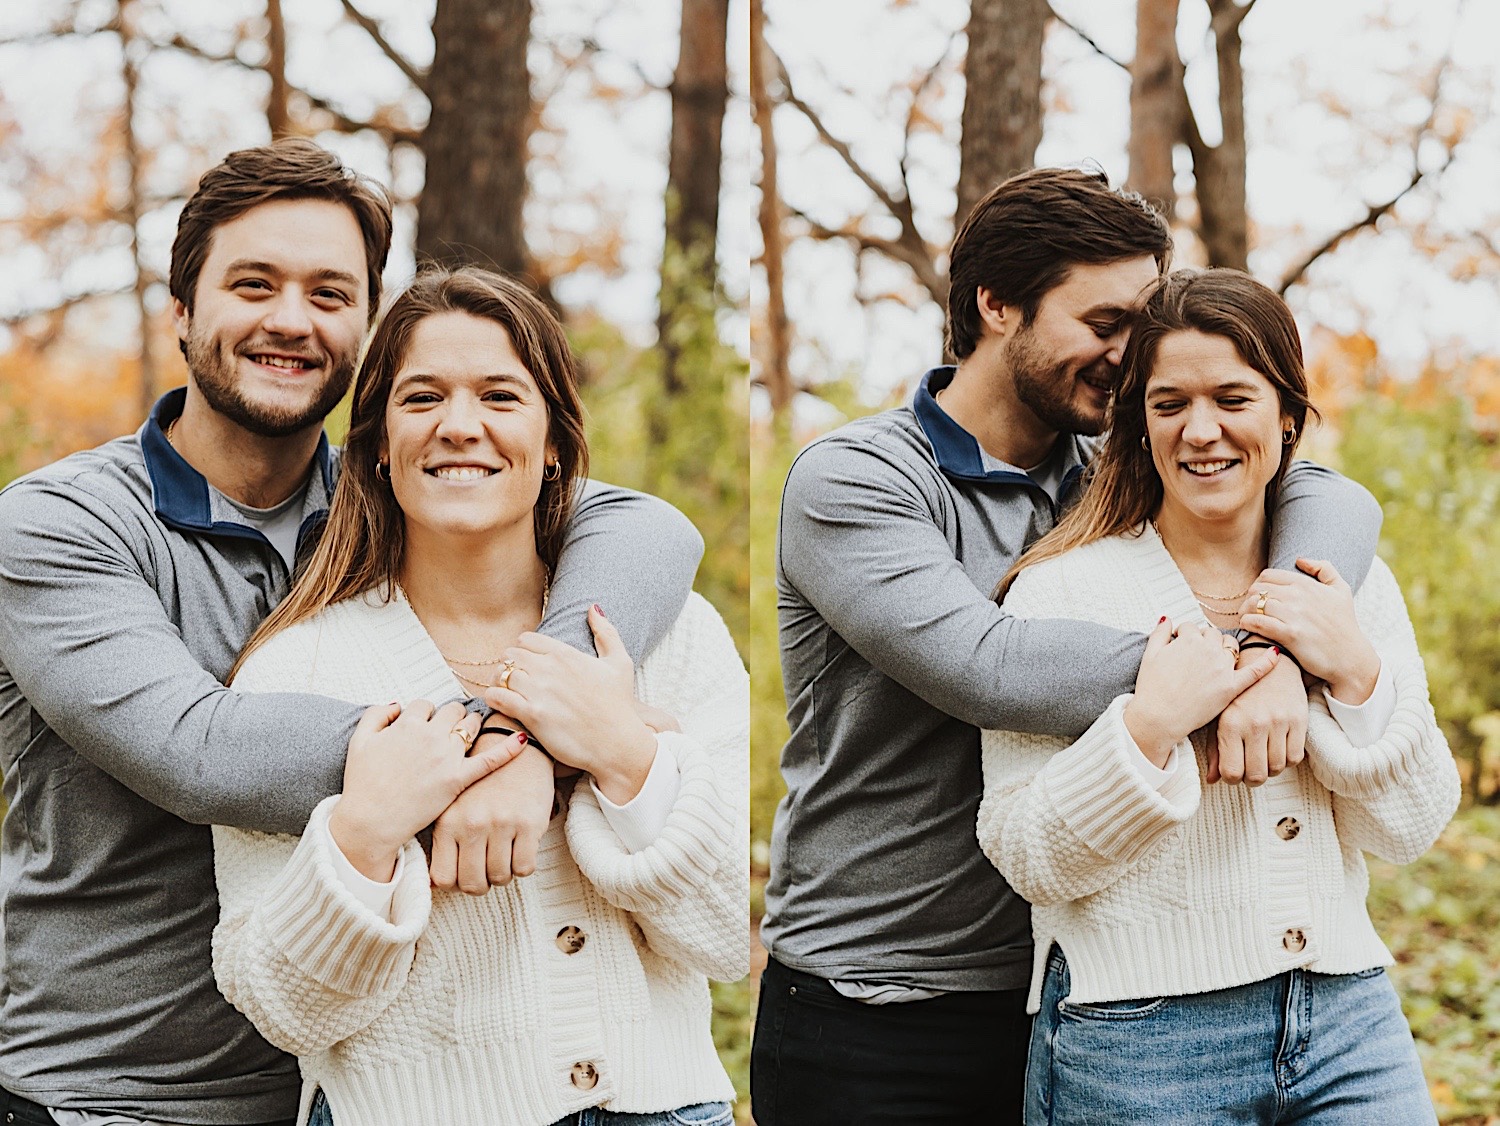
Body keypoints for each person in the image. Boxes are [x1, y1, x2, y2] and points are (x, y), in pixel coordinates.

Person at [0, 140, 703, 1126]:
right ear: (183, 312)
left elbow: (646, 523)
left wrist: (548, 732)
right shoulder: (61, 526)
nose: (293, 319)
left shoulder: (388, 503)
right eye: (255, 285)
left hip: (363, 1082)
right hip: (124, 1091)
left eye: (330, 293)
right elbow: (198, 754)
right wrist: (517, 739)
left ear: (364, 324)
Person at [750, 168, 1387, 1125]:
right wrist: (1238, 665)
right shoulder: (861, 480)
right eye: (1106, 324)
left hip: (1088, 995)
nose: (1133, 357)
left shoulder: (1113, 468)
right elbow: (987, 666)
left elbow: (1327, 493)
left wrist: (1288, 650)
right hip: (884, 1002)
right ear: (995, 305)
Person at [206, 265, 747, 1126]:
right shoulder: (294, 667)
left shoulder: (674, 637)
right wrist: (365, 835)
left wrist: (626, 757)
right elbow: (281, 1008)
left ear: (556, 440)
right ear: (378, 443)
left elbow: (721, 938)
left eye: (500, 396)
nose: (461, 427)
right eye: (422, 399)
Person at [980, 267, 1458, 1123]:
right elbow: (1023, 853)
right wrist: (1149, 729)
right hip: (1135, 1039)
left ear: (1286, 412)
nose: (1202, 432)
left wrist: (1355, 674)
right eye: (1170, 405)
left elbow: (1411, 828)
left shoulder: (1345, 583)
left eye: (1232, 398)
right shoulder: (1060, 591)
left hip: (1348, 1019)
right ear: (1139, 424)